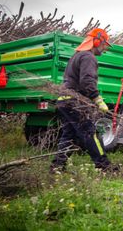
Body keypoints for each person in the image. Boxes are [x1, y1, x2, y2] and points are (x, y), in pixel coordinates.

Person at [50, 28, 117, 173]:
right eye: (105, 44)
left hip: (65, 100)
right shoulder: (88, 57)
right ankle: (104, 166)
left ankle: (57, 167)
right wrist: (98, 99)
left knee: (69, 135)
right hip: (74, 102)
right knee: (91, 132)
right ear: (97, 41)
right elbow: (87, 80)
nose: (105, 49)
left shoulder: (76, 56)